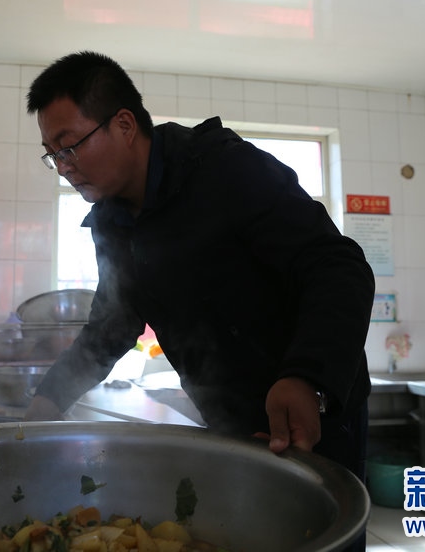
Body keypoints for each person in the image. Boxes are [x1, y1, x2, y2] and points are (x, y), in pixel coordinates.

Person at [24, 51, 374, 546]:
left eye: (69, 146)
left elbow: (338, 267)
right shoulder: (112, 220)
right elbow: (111, 325)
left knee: (320, 538)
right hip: (229, 425)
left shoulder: (224, 169)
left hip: (312, 409)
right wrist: (47, 400)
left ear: (124, 125)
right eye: (52, 154)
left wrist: (307, 377)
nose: (63, 167)